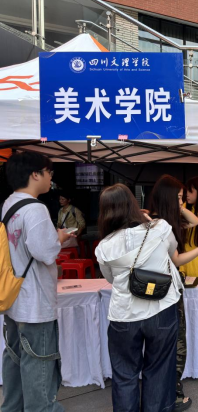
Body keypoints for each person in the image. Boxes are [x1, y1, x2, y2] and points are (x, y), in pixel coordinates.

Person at [95, 184, 198, 412]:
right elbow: (173, 254)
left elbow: (111, 279)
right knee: (160, 371)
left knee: (124, 375)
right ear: (133, 204)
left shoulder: (103, 247)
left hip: (124, 315)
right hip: (161, 309)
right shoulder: (160, 228)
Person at [2, 152, 73, 412]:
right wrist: (60, 238)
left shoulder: (9, 204)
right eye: (49, 172)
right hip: (35, 301)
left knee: (14, 360)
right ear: (35, 174)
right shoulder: (36, 208)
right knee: (39, 365)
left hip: (14, 298)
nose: (51, 178)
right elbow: (45, 252)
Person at [148, 175, 198, 410]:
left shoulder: (155, 220)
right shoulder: (161, 225)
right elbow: (176, 259)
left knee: (164, 340)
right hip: (169, 286)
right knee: (176, 339)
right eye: (178, 197)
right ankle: (174, 394)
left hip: (157, 285)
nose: (182, 202)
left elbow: (195, 221)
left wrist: (178, 206)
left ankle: (164, 391)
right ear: (168, 197)